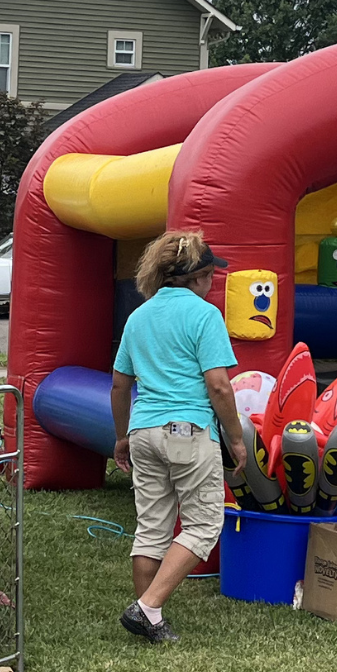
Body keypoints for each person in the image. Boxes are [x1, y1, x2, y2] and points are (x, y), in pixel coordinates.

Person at [109, 229, 249, 646]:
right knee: (205, 524)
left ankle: (149, 617)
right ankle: (148, 608)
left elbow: (119, 385)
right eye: (211, 275)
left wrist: (121, 437)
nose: (213, 283)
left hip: (142, 430)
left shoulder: (139, 316)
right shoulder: (204, 315)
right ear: (199, 277)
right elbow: (219, 386)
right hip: (188, 430)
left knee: (151, 527)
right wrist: (236, 438)